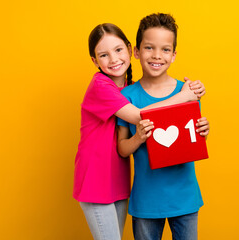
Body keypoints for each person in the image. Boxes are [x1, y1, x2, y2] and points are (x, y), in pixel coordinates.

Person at [73, 23, 206, 240]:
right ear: (95, 61)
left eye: (118, 50)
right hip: (96, 179)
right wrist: (184, 97)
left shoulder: (126, 88)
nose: (114, 59)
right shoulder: (101, 86)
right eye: (104, 55)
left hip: (117, 178)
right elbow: (141, 116)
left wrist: (195, 108)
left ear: (128, 49)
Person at [117, 13, 210, 240]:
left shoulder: (188, 91)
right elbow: (122, 149)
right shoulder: (126, 97)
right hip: (147, 201)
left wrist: (203, 132)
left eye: (165, 49)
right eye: (149, 48)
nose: (157, 55)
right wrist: (138, 137)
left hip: (185, 198)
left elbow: (191, 140)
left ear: (174, 55)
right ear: (136, 52)